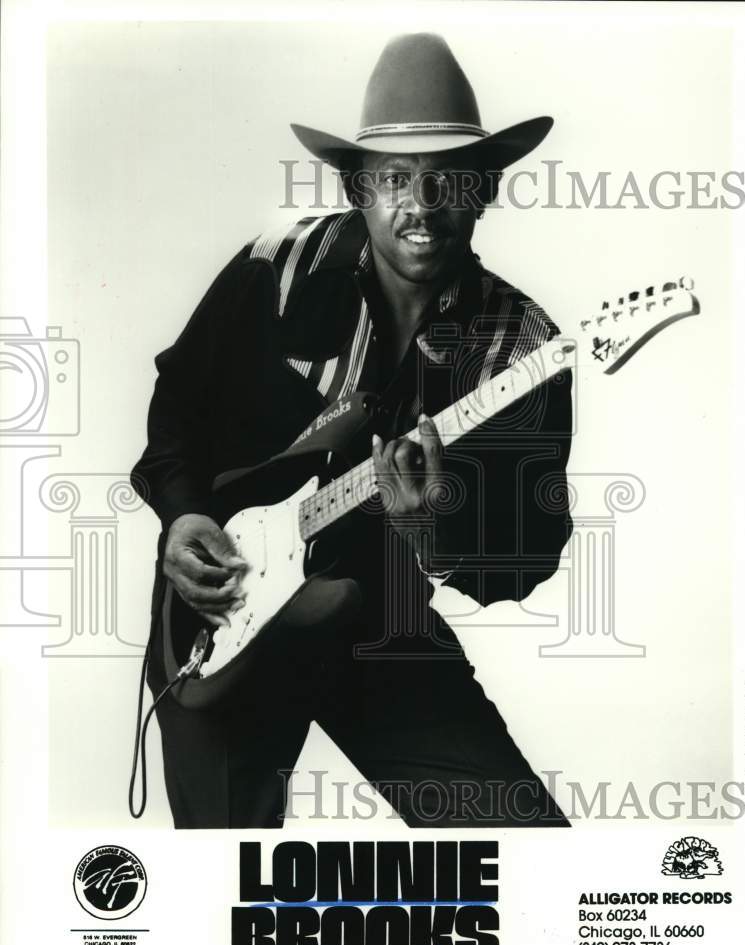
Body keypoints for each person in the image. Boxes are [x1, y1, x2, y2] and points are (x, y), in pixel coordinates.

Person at [131, 33, 573, 828]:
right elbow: (180, 397)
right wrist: (183, 512)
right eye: (396, 180)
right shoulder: (280, 263)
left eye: (448, 181)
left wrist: (433, 530)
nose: (422, 207)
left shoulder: (524, 350)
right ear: (355, 187)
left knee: (522, 841)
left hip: (381, 618)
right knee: (221, 882)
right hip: (227, 606)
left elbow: (528, 552)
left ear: (486, 188)